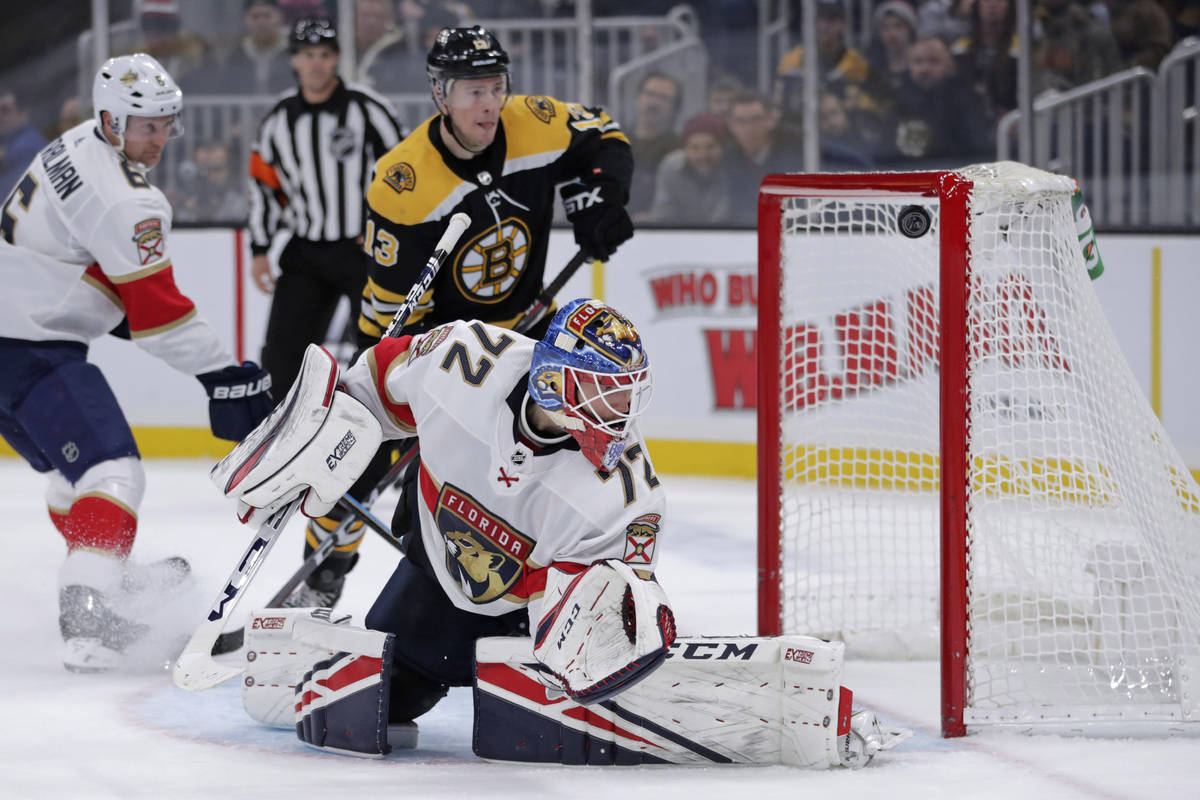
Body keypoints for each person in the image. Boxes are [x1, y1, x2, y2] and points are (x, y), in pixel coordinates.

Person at [216, 298, 670, 744]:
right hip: (436, 570)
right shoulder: (462, 359)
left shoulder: (630, 495)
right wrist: (321, 437)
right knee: (376, 699)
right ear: (553, 380)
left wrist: (617, 634)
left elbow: (607, 612)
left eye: (629, 393)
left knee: (553, 707)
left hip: (528, 618)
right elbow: (374, 386)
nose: (622, 411)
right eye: (607, 392)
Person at [311, 24, 635, 617]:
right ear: (440, 94)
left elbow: (605, 137)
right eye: (472, 91)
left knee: (542, 444)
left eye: (495, 87)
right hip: (432, 343)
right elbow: (393, 311)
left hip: (522, 327)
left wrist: (599, 200)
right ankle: (327, 567)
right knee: (362, 448)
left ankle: (534, 583)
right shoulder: (403, 182)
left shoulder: (534, 122)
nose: (488, 103)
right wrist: (415, 403)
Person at [0, 53, 273, 672]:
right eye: (147, 125)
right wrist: (227, 374)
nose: (161, 138)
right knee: (112, 473)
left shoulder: (75, 142)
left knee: (71, 480)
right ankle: (88, 614)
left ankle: (100, 570)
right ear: (110, 119)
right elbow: (158, 315)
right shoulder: (128, 202)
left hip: (14, 333)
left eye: (167, 123)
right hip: (28, 344)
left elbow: (95, 280)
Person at [247, 16, 403, 608]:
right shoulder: (279, 121)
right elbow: (266, 185)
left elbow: (402, 174)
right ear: (293, 61)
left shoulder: (368, 109)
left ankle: (366, 443)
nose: (315, 62)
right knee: (281, 359)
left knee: (377, 358)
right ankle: (293, 450)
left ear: (337, 58)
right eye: (306, 53)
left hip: (363, 250)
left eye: (324, 52)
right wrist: (262, 246)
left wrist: (391, 238)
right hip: (309, 250)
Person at [644, 111, 733, 225]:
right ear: (685, 149)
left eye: (710, 147)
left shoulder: (732, 168)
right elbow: (663, 214)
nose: (703, 155)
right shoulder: (671, 168)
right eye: (695, 148)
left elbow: (726, 217)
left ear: (722, 147)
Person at [626, 72, 683, 218]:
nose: (654, 102)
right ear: (638, 98)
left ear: (675, 109)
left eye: (663, 98)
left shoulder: (681, 151)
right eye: (649, 94)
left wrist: (655, 219)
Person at [0, 89, 47, 197]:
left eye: (5, 110)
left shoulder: (27, 144)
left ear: (23, 114)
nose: (0, 116)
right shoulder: (8, 141)